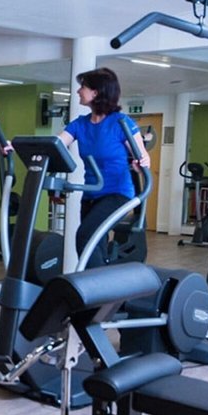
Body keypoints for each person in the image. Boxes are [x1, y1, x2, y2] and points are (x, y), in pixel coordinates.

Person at [58, 67, 150, 268]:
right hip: (90, 195)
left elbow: (143, 156)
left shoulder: (121, 122)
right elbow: (55, 144)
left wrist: (140, 163)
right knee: (96, 244)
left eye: (82, 87)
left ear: (96, 92)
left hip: (117, 194)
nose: (78, 91)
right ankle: (103, 283)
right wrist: (20, 145)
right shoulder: (80, 124)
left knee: (85, 236)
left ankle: (95, 284)